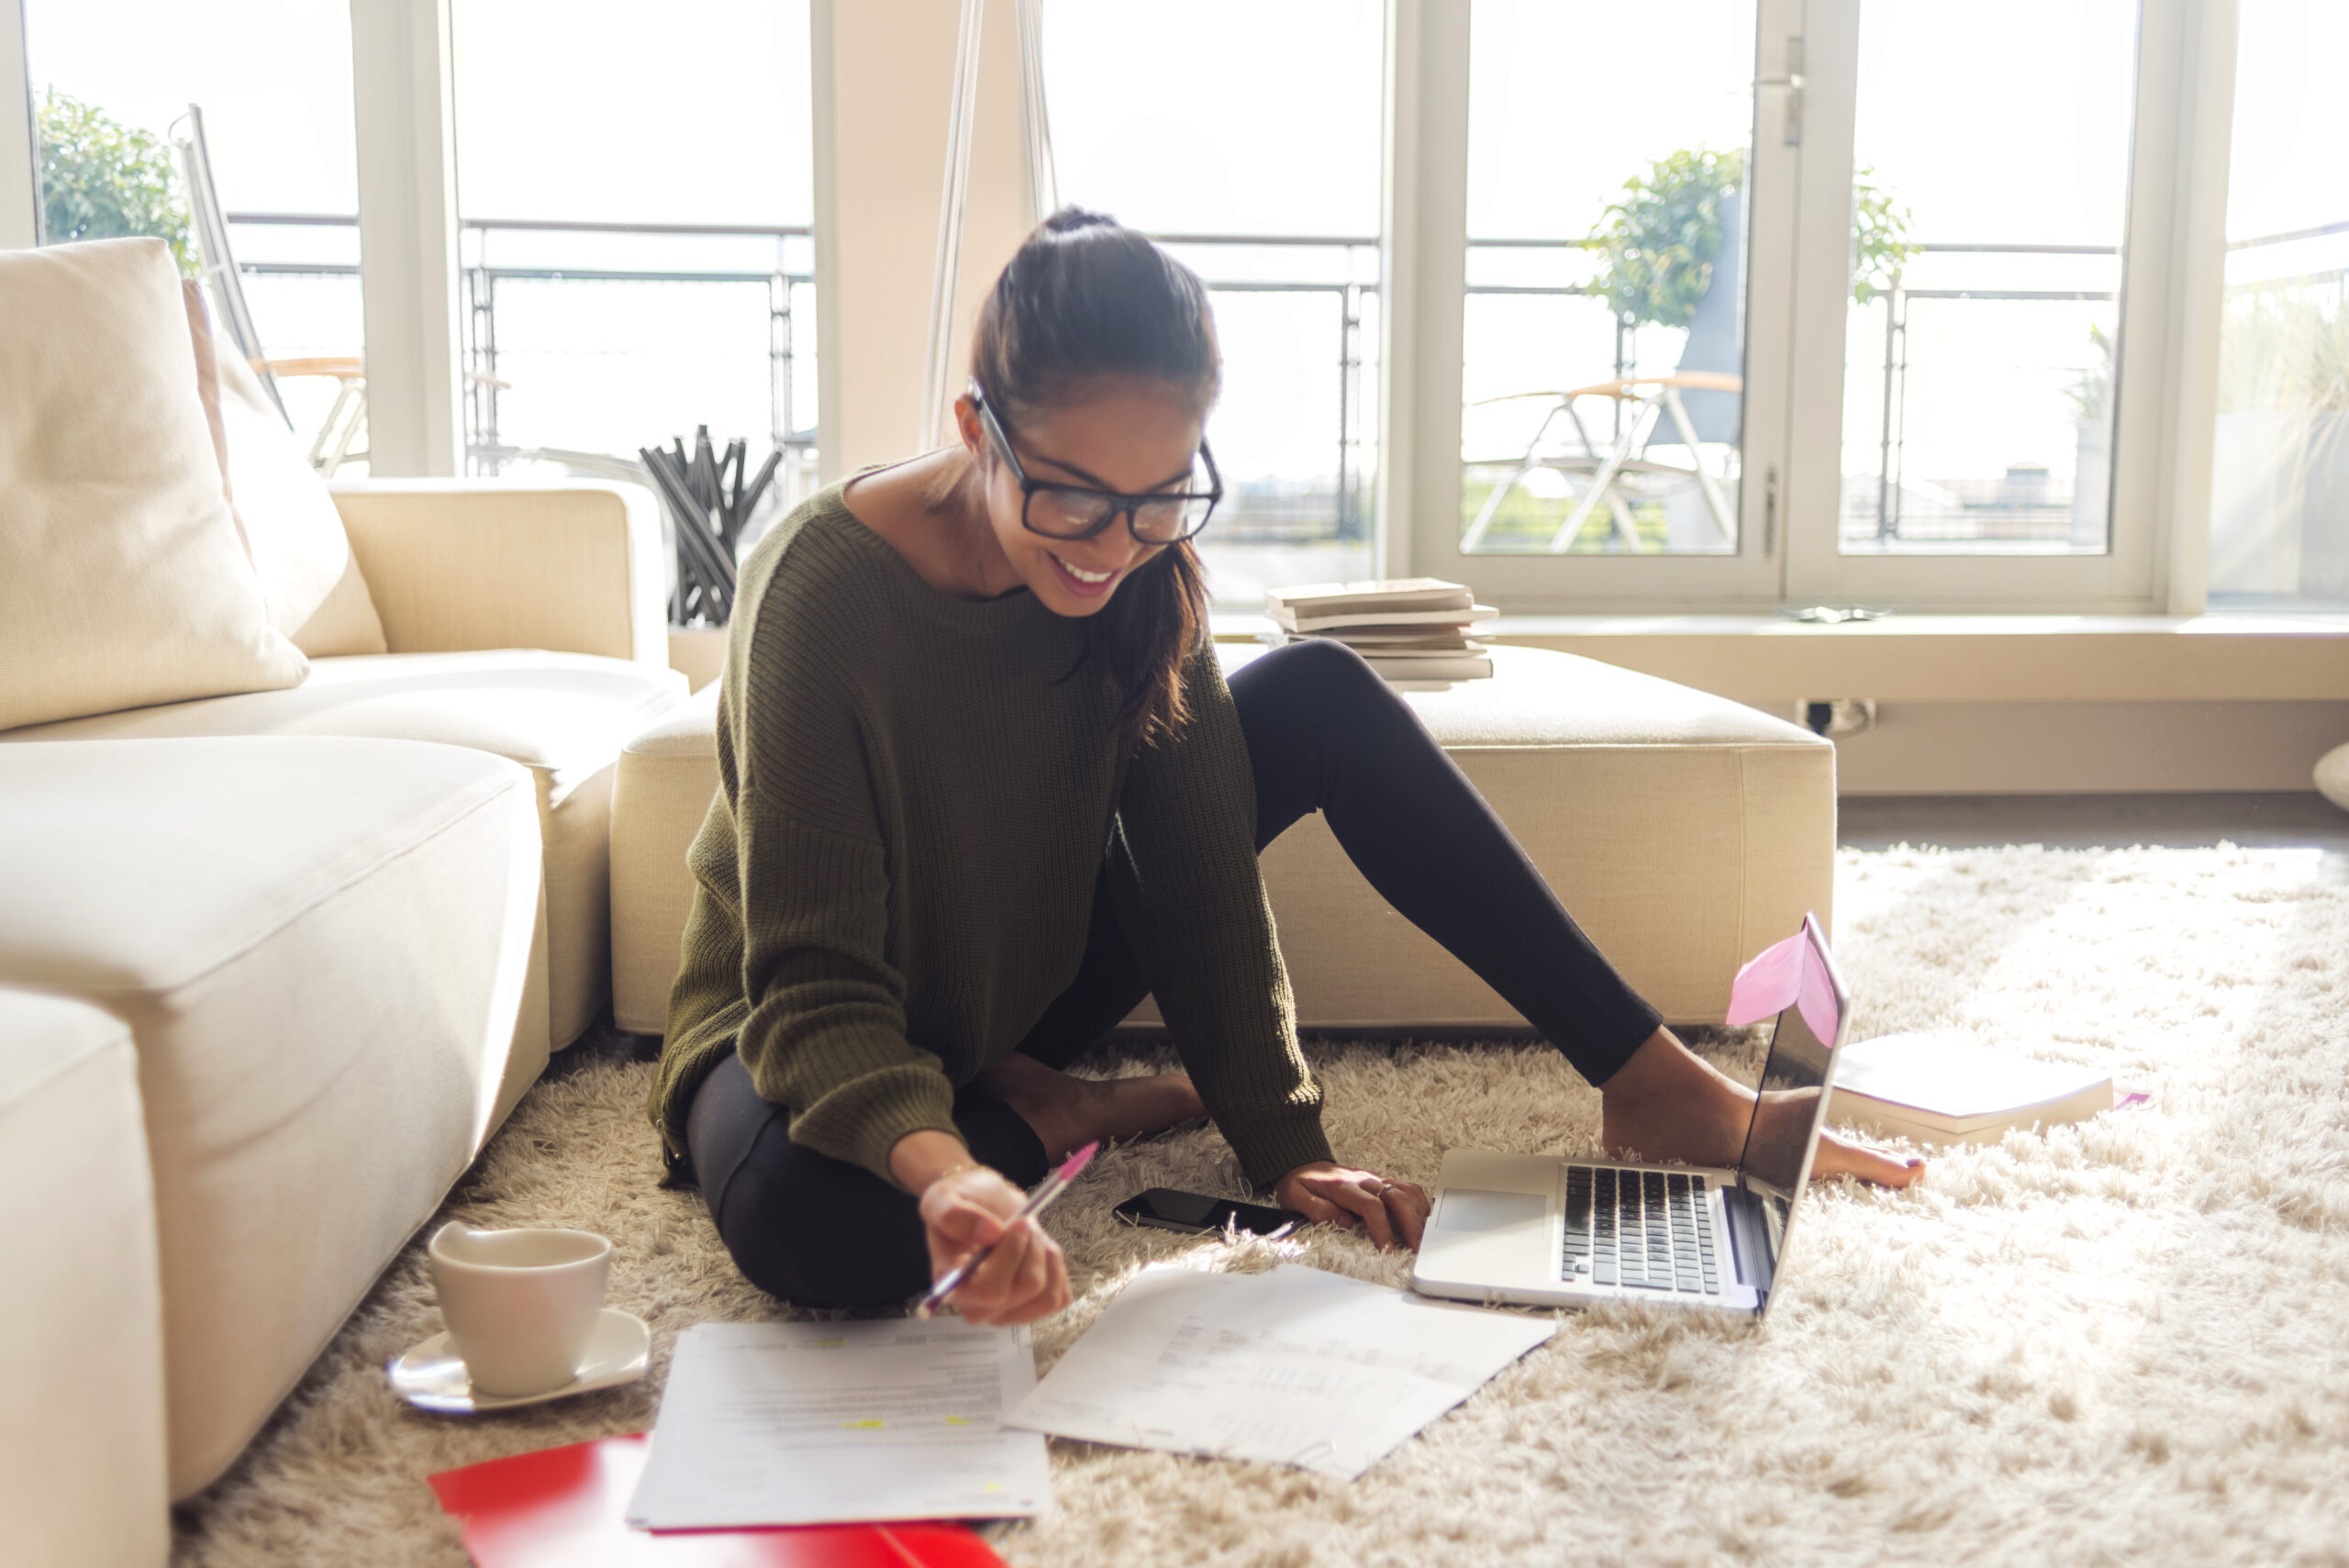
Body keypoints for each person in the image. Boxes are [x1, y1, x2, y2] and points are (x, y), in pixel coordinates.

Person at [649, 208, 1921, 1329]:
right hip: (795, 1021)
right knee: (824, 1231)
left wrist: (1285, 1145)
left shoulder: (1144, 572)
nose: (1116, 548)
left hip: (1007, 984)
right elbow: (813, 989)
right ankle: (1048, 1118)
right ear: (977, 427)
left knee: (1317, 693)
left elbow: (1199, 878)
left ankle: (1655, 1085)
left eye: (1162, 498)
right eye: (1076, 499)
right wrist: (953, 1167)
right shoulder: (822, 593)